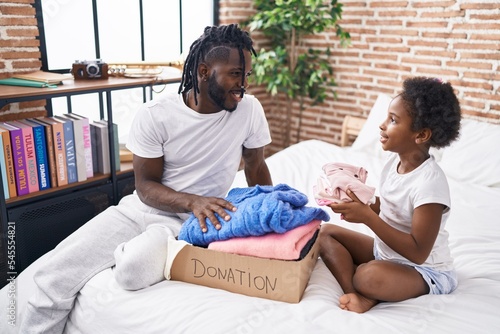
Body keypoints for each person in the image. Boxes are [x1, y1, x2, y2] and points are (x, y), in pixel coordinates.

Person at [20, 23, 273, 333]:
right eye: (236, 74)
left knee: (131, 271)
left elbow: (256, 168)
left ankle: (127, 252)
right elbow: (144, 187)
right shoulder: (155, 114)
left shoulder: (248, 110)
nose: (243, 85)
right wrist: (193, 200)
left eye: (247, 75)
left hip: (186, 223)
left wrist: (270, 218)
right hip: (141, 210)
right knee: (51, 274)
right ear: (204, 71)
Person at [319, 77, 461, 313]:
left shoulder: (430, 184)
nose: (382, 125)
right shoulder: (392, 164)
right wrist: (357, 199)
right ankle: (356, 295)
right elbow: (389, 208)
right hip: (386, 253)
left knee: (367, 275)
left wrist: (367, 217)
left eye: (393, 120)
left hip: (423, 269)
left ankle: (366, 291)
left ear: (421, 135)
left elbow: (418, 252)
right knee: (325, 233)